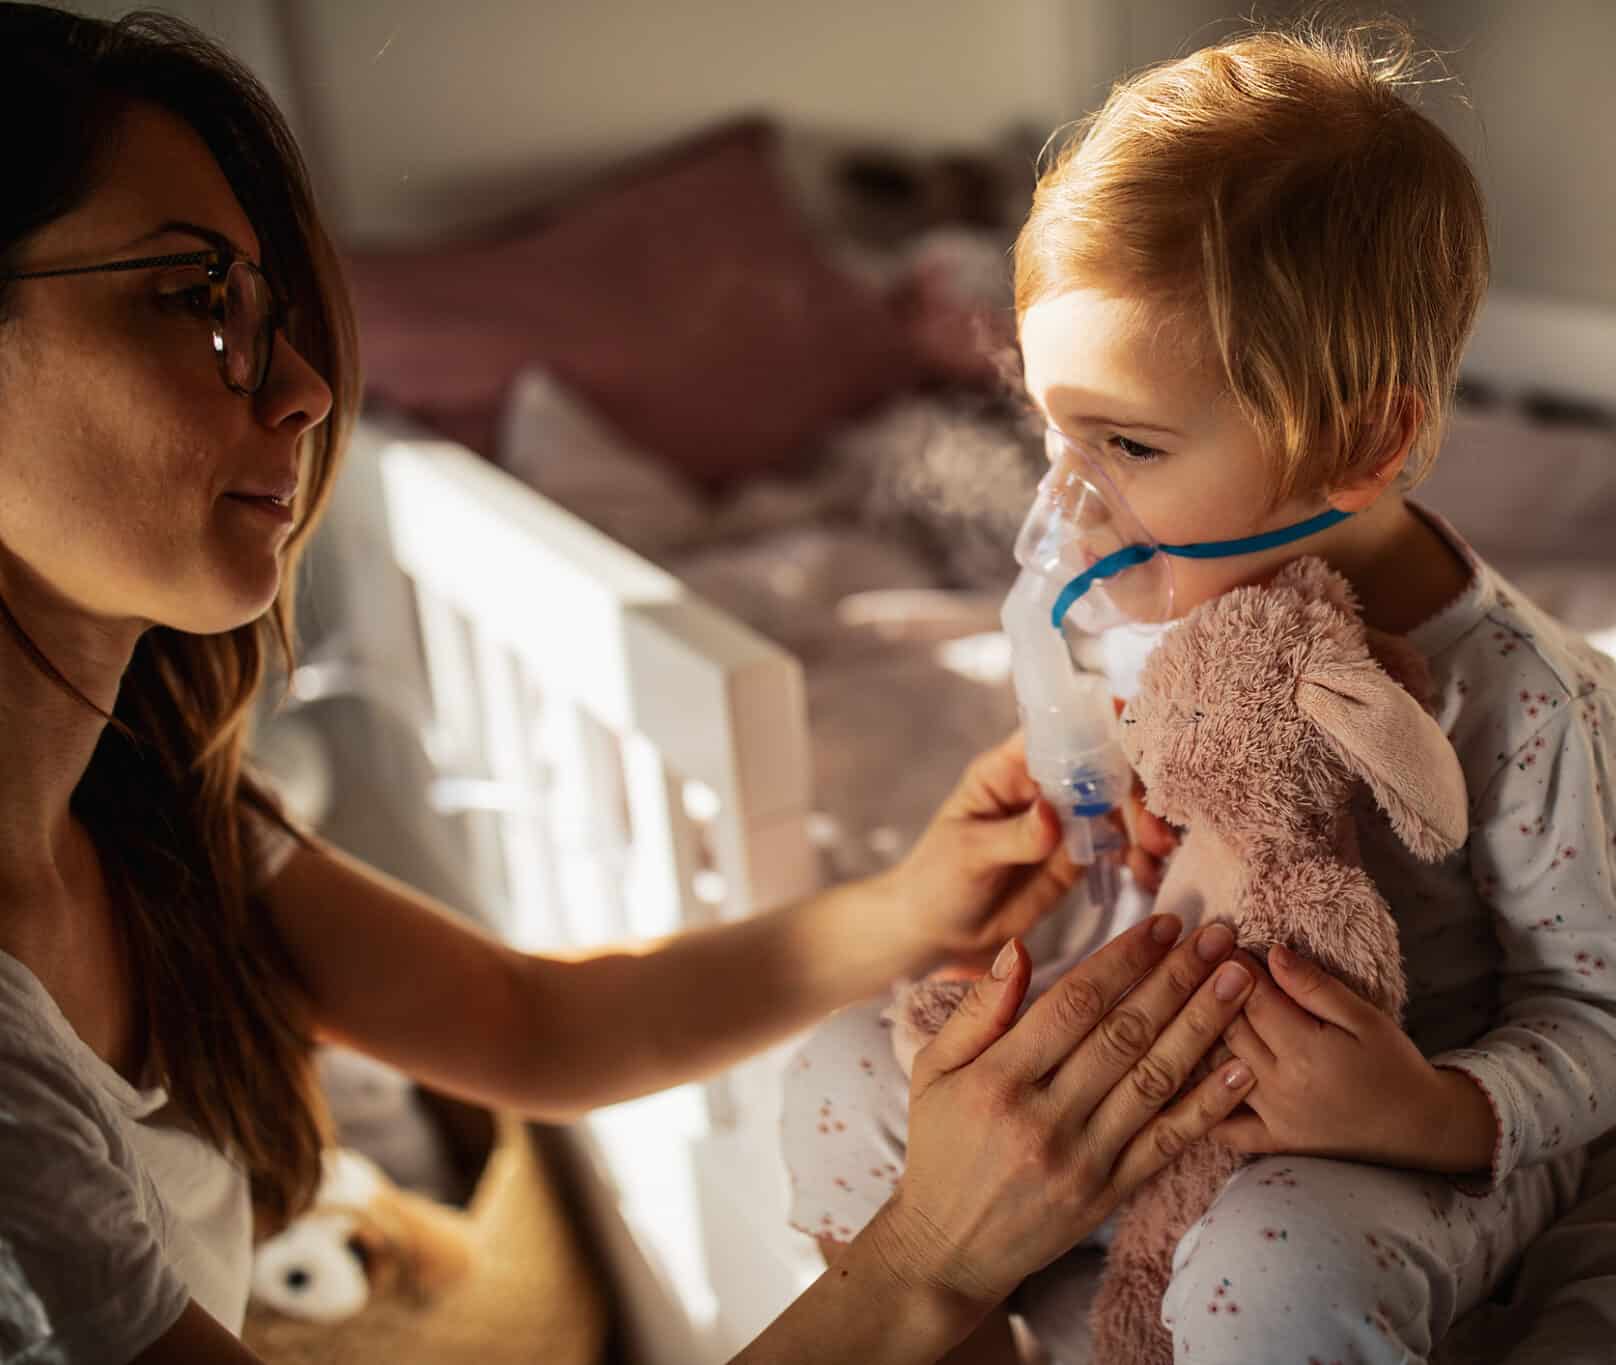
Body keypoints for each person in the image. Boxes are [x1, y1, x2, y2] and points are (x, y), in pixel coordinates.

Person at [0, 8, 1267, 1363]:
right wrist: (928, 1256)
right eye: (196, 300)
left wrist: (908, 908)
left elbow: (530, 1024)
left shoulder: (146, 820)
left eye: (271, 308)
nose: (306, 388)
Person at [781, 19, 1616, 1364]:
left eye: (1128, 443)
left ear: (1360, 442)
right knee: (837, 1075)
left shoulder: (1530, 698)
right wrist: (1080, 843)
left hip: (1357, 1138)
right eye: (1053, 429)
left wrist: (1427, 1108)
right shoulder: (1146, 600)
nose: (1067, 500)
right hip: (1152, 1073)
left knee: (1275, 1275)